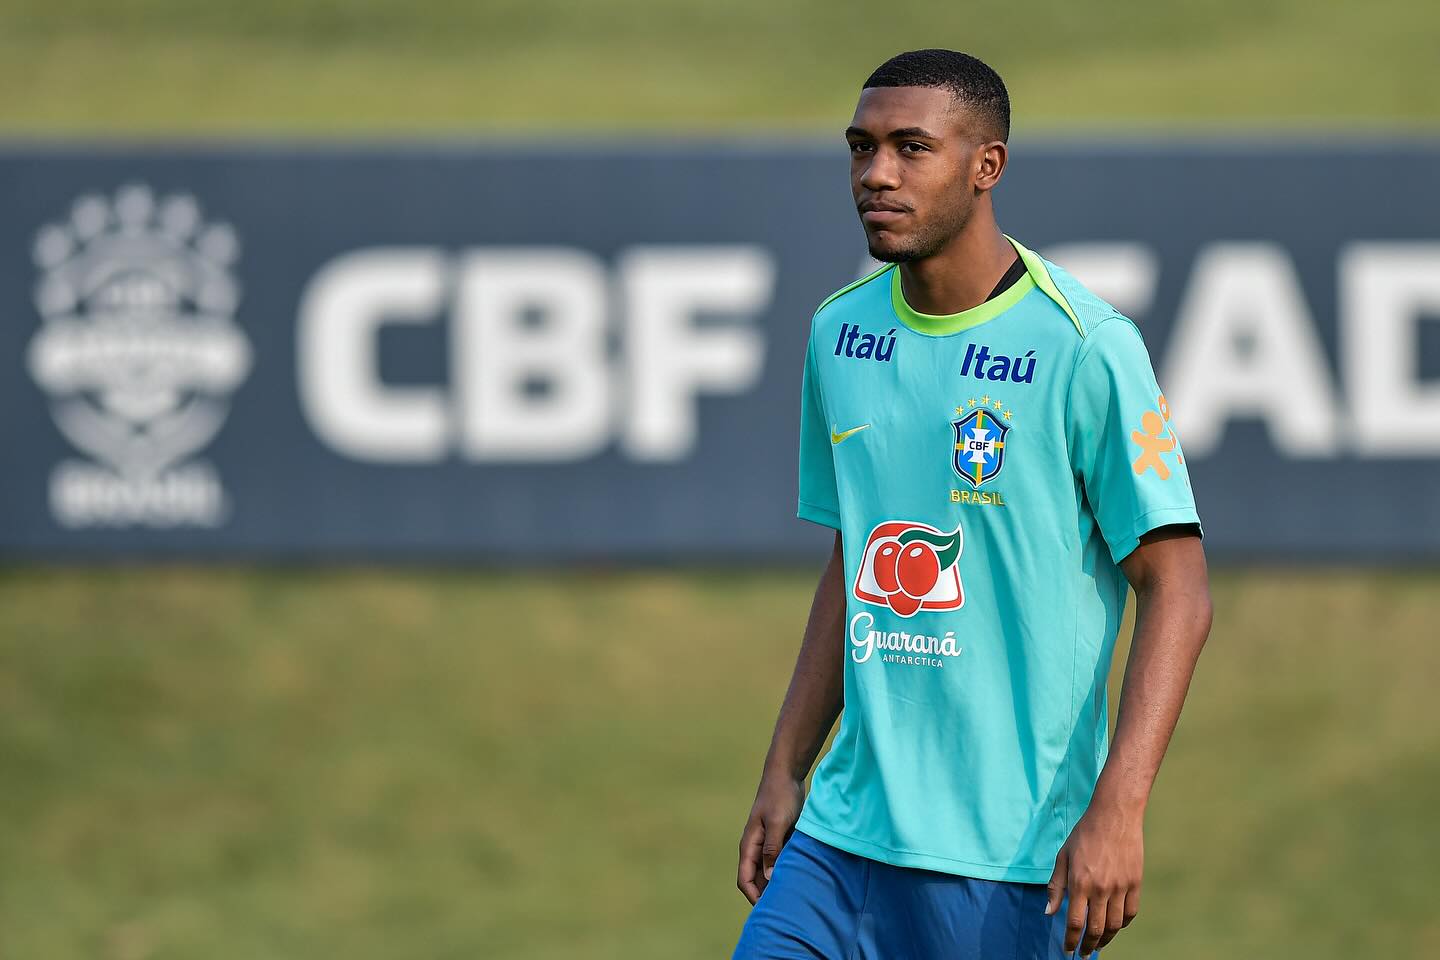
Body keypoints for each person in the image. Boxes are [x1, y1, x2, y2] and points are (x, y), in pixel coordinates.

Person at [732, 49, 1212, 959]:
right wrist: (785, 765)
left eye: (912, 148)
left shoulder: (1084, 346)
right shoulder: (839, 331)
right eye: (862, 147)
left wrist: (1119, 808)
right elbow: (854, 556)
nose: (877, 173)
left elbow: (1179, 590)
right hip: (841, 838)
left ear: (986, 165)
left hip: (1011, 862)